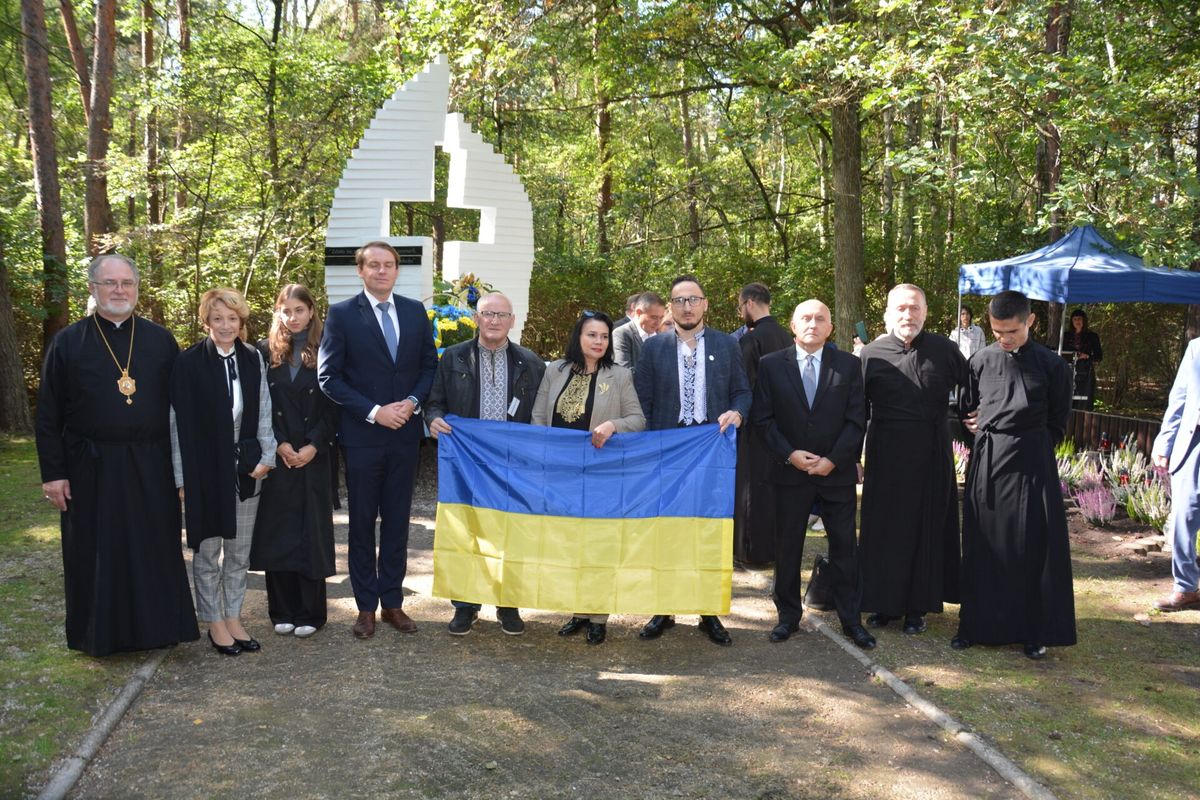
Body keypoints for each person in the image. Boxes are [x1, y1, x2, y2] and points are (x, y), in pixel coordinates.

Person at [36, 254, 199, 657]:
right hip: (90, 464)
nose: (119, 290)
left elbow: (184, 411)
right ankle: (100, 635)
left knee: (153, 547)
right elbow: (48, 415)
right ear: (93, 288)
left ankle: (158, 630)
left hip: (151, 462)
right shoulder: (68, 342)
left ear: (137, 289)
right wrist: (54, 473)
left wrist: (184, 471)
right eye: (110, 283)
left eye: (127, 283)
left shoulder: (160, 340)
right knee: (96, 551)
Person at [318, 241, 438, 639]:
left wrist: (412, 402)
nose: (382, 271)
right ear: (360, 271)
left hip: (405, 435)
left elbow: (428, 365)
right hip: (363, 436)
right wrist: (374, 411)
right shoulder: (341, 315)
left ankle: (393, 604)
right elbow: (328, 377)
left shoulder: (413, 310)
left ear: (397, 271)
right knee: (362, 524)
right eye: (374, 265)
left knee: (398, 522)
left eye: (388, 265)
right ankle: (365, 607)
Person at [954, 290, 1076, 660]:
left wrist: (1033, 446)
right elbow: (963, 410)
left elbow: (1058, 423)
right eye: (996, 331)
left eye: (1011, 332)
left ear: (1030, 322)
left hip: (1032, 466)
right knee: (982, 543)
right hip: (989, 461)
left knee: (1032, 545)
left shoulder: (1053, 367)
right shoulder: (979, 361)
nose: (1003, 339)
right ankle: (975, 625)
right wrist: (969, 427)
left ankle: (1032, 630)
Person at [634, 274, 752, 646]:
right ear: (671, 307)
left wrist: (737, 413)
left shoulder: (726, 345)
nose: (687, 306)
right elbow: (643, 400)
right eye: (679, 300)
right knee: (665, 532)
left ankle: (708, 611)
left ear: (705, 304)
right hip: (666, 454)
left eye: (693, 299)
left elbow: (742, 392)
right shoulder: (654, 348)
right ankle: (663, 609)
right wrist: (650, 448)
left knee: (708, 532)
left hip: (710, 454)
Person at [752, 300, 874, 649]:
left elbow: (856, 420)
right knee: (787, 548)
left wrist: (834, 460)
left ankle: (852, 619)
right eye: (805, 318)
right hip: (789, 474)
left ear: (830, 328)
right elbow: (763, 419)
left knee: (845, 548)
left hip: (834, 475)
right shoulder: (771, 365)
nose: (813, 323)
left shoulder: (849, 366)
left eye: (821, 318)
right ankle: (787, 618)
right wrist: (790, 455)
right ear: (792, 325)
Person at [427, 292, 547, 635]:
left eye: (501, 314)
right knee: (467, 530)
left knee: (511, 532)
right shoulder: (452, 358)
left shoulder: (530, 363)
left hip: (513, 466)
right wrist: (433, 419)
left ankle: (508, 604)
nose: (494, 320)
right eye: (487, 314)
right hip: (467, 463)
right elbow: (433, 402)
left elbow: (540, 414)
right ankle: (465, 605)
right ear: (476, 318)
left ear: (512, 320)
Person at [858, 284, 969, 635]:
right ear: (888, 314)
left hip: (931, 454)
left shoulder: (945, 350)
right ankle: (882, 604)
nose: (908, 315)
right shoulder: (870, 355)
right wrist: (849, 456)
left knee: (926, 529)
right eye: (901, 309)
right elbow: (856, 410)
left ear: (925, 312)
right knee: (884, 529)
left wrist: (975, 421)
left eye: (915, 308)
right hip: (886, 454)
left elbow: (971, 393)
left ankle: (918, 608)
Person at [171, 288, 277, 656]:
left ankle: (233, 616)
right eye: (218, 318)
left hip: (246, 464)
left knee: (239, 551)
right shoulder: (188, 363)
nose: (226, 325)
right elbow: (176, 424)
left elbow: (264, 407)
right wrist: (182, 477)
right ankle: (214, 621)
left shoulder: (252, 358)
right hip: (203, 468)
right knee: (208, 550)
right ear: (206, 322)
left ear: (241, 321)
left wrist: (268, 454)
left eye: (233, 318)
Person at [531, 310, 645, 645]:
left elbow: (637, 420)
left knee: (599, 546)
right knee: (570, 544)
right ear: (578, 337)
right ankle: (578, 612)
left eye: (604, 336)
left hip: (601, 475)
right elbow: (539, 415)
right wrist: (542, 457)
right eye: (592, 335)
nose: (598, 342)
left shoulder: (619, 375)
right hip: (560, 473)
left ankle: (598, 617)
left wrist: (613, 425)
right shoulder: (555, 369)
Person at [249, 285, 338, 639]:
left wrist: (315, 444)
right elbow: (257, 407)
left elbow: (336, 405)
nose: (293, 317)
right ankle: (281, 609)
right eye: (286, 311)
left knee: (310, 534)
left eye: (299, 309)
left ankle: (311, 612)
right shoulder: (263, 352)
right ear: (278, 313)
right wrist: (280, 444)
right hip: (278, 455)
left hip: (313, 457)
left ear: (312, 311)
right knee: (278, 533)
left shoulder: (329, 350)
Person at [733, 282, 794, 566]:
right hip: (783, 427)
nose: (740, 311)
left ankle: (750, 551)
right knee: (775, 489)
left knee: (750, 488)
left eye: (740, 305)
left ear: (749, 303)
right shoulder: (786, 336)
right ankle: (774, 549)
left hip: (755, 425)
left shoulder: (751, 340)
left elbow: (743, 385)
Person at [1150, 337, 1200, 612]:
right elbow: (1179, 399)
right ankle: (1185, 588)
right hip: (1193, 446)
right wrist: (1163, 443)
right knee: (1183, 518)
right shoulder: (1196, 348)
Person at [612, 292, 665, 372]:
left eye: (661, 318)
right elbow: (623, 372)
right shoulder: (622, 334)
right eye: (654, 317)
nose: (658, 322)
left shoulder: (661, 336)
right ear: (638, 313)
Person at [1061, 308, 1102, 410]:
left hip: (1085, 373)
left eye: (1079, 319)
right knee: (1067, 401)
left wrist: (1087, 356)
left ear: (1084, 320)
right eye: (1074, 319)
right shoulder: (1065, 336)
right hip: (1068, 372)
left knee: (1084, 404)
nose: (1077, 321)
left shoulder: (1092, 336)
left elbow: (1099, 356)